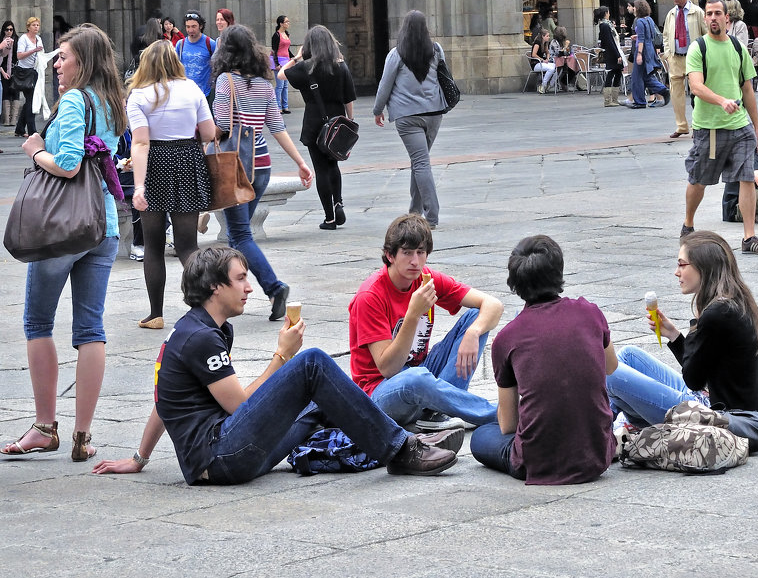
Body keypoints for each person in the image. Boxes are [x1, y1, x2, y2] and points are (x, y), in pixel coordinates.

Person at [90, 247, 461, 483]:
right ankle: (401, 449)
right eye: (240, 279)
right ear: (215, 288)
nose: (250, 287)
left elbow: (163, 399)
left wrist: (139, 458)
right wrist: (281, 357)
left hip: (226, 452)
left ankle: (389, 441)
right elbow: (239, 406)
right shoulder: (200, 338)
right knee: (311, 362)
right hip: (220, 459)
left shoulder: (205, 328)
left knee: (319, 400)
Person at [1, 24, 127, 462]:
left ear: (84, 62)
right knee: (91, 330)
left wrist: (36, 149)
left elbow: (69, 166)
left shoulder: (74, 100)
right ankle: (82, 436)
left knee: (38, 323)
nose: (56, 63)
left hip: (62, 229)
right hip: (102, 225)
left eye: (63, 57)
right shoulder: (112, 102)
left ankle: (43, 426)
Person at [470, 235, 617, 485]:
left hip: (536, 462)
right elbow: (611, 366)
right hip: (597, 455)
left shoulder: (507, 338)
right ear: (559, 271)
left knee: (481, 435)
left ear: (515, 284)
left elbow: (508, 424)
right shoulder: (590, 312)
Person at [605, 231, 758, 451]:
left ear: (703, 267)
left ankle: (603, 430)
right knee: (628, 354)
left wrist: (695, 327)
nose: (677, 272)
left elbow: (693, 378)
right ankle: (615, 427)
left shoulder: (716, 314)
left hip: (716, 417)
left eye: (682, 265)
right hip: (713, 400)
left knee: (611, 373)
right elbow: (702, 368)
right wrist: (674, 337)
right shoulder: (734, 301)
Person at [348, 214, 503, 430]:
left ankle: (438, 413)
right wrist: (413, 315)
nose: (415, 261)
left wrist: (474, 333)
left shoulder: (427, 279)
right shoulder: (370, 296)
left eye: (420, 252)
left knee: (475, 317)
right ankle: (500, 414)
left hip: (419, 373)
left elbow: (493, 305)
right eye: (407, 253)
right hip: (380, 393)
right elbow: (388, 369)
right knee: (416, 378)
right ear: (390, 255)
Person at [212, 24, 313, 322]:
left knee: (240, 235)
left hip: (235, 166)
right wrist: (301, 162)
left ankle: (274, 286)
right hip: (262, 166)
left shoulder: (225, 82)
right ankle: (229, 292)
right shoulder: (264, 84)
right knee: (238, 235)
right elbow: (277, 128)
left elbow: (220, 126)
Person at [127, 41, 219, 330]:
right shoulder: (192, 89)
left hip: (154, 164)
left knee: (153, 245)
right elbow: (207, 132)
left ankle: (155, 314)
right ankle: (209, 305)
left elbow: (140, 143)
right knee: (187, 244)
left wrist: (139, 186)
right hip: (187, 160)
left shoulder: (138, 95)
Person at [682, 0, 758, 255]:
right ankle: (688, 224)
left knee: (747, 178)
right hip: (709, 128)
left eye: (717, 13)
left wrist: (756, 126)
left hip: (740, 125)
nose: (712, 17)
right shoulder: (698, 47)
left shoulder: (737, 47)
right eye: (709, 14)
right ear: (705, 19)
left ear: (726, 19)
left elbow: (748, 89)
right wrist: (722, 101)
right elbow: (696, 86)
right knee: (699, 179)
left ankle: (749, 238)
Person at [374, 10, 451, 228]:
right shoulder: (436, 50)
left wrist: (378, 109)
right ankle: (415, 210)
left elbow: (385, 84)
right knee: (420, 160)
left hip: (407, 116)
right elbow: (443, 76)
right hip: (434, 113)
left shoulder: (396, 54)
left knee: (420, 162)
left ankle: (432, 215)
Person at [279, 25, 356, 229]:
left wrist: (296, 57)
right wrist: (350, 121)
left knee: (321, 169)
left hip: (315, 124)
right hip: (338, 123)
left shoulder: (306, 68)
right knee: (333, 165)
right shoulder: (341, 66)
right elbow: (349, 98)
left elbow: (281, 75)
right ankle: (338, 201)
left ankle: (329, 218)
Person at [662, 0, 707, 138]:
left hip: (693, 57)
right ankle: (681, 126)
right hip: (676, 57)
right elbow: (666, 35)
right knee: (676, 93)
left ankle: (698, 125)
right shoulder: (671, 13)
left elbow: (706, 33)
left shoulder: (697, 12)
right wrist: (668, 53)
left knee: (697, 92)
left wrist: (703, 53)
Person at [628, 0, 669, 109]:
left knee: (636, 76)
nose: (634, 9)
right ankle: (663, 90)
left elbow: (641, 39)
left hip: (642, 50)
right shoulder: (649, 20)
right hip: (650, 48)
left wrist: (639, 54)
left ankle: (640, 101)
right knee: (646, 76)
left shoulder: (640, 21)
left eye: (635, 7)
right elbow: (650, 35)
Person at [14, 16, 44, 138]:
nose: (36, 27)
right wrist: (33, 50)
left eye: (37, 25)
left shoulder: (38, 39)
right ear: (28, 27)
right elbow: (19, 56)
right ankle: (32, 131)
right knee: (31, 101)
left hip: (34, 72)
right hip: (23, 72)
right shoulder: (23, 39)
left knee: (30, 101)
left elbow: (41, 54)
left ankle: (20, 129)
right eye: (33, 25)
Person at [176, 10, 217, 100]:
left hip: (205, 93)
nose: (190, 30)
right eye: (188, 27)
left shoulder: (210, 43)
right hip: (185, 93)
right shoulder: (180, 44)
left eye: (194, 26)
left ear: (200, 26)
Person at [594, 6, 625, 108]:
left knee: (618, 72)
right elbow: (609, 42)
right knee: (611, 73)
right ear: (606, 13)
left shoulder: (607, 25)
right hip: (612, 53)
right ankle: (608, 100)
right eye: (608, 12)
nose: (609, 14)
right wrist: (617, 55)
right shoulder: (605, 26)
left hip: (614, 51)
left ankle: (614, 99)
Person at [270, 14, 293, 112]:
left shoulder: (286, 34)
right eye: (286, 22)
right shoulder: (276, 35)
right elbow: (274, 50)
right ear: (281, 24)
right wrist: (276, 64)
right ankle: (278, 107)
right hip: (279, 60)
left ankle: (285, 106)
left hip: (286, 60)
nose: (288, 23)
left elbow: (287, 49)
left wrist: (293, 57)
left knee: (285, 85)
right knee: (280, 85)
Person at [551, 25, 579, 92]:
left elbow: (569, 52)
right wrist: (565, 47)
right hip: (554, 60)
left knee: (575, 66)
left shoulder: (564, 41)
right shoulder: (554, 42)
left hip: (564, 60)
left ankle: (564, 82)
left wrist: (569, 51)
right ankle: (558, 82)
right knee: (561, 68)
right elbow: (558, 53)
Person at [528, 28, 557, 94]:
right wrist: (542, 60)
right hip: (536, 63)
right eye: (547, 36)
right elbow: (533, 54)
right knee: (551, 69)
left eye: (549, 36)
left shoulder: (545, 43)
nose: (548, 37)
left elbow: (548, 52)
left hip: (542, 62)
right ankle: (543, 85)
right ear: (542, 36)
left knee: (557, 67)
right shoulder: (537, 43)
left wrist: (547, 58)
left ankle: (550, 84)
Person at [0, 19, 15, 128]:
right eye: (7, 29)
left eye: (11, 29)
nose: (9, 31)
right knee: (4, 92)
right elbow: (2, 57)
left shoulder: (16, 40)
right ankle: (6, 119)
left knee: (15, 92)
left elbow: (15, 56)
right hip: (3, 68)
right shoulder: (2, 41)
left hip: (14, 68)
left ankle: (13, 119)